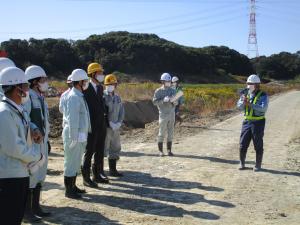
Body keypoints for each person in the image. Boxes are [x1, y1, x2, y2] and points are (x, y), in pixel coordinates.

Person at [0, 67, 42, 225]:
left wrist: (34, 129)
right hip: (9, 177)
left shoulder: (18, 110)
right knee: (8, 218)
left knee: (16, 217)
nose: (27, 90)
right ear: (16, 88)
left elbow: (26, 121)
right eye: (25, 86)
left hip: (20, 173)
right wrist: (37, 156)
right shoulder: (4, 113)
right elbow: (14, 147)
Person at [23, 65, 52, 221]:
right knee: (31, 176)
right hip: (32, 144)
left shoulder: (41, 98)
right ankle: (27, 211)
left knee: (40, 175)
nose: (45, 82)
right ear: (34, 82)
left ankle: (36, 207)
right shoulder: (27, 98)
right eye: (43, 80)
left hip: (42, 142)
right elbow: (25, 120)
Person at [62, 69, 91, 199]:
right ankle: (69, 190)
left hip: (79, 134)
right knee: (70, 162)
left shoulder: (78, 95)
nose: (86, 83)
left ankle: (73, 186)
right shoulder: (74, 97)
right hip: (73, 134)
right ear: (79, 82)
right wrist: (74, 137)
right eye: (85, 81)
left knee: (75, 162)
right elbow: (72, 119)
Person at [82, 62, 109, 187]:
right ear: (92, 74)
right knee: (89, 150)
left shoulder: (100, 87)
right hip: (90, 124)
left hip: (101, 123)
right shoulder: (85, 87)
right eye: (100, 73)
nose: (102, 75)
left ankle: (97, 174)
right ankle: (86, 177)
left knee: (100, 149)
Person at [237, 74, 269, 172]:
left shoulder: (263, 95)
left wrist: (250, 104)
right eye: (248, 83)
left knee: (257, 143)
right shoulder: (245, 93)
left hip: (258, 122)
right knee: (243, 143)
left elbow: (263, 108)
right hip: (247, 121)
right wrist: (243, 102)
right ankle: (242, 163)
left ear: (257, 84)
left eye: (251, 83)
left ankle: (258, 165)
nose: (249, 85)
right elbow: (239, 107)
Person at [103, 74, 125, 177]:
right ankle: (99, 171)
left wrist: (119, 122)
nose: (111, 86)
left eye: (113, 84)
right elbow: (102, 112)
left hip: (116, 128)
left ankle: (113, 170)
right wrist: (109, 122)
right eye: (109, 84)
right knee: (103, 149)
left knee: (115, 148)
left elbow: (121, 111)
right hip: (106, 128)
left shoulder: (117, 98)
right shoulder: (102, 96)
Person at [153, 73, 177, 157]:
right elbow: (154, 102)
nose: (168, 82)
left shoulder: (173, 90)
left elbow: (176, 103)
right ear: (162, 81)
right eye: (166, 81)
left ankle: (169, 150)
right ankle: (160, 151)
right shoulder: (158, 91)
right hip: (163, 114)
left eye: (169, 81)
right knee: (161, 133)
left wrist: (173, 101)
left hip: (171, 114)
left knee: (171, 133)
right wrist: (163, 100)